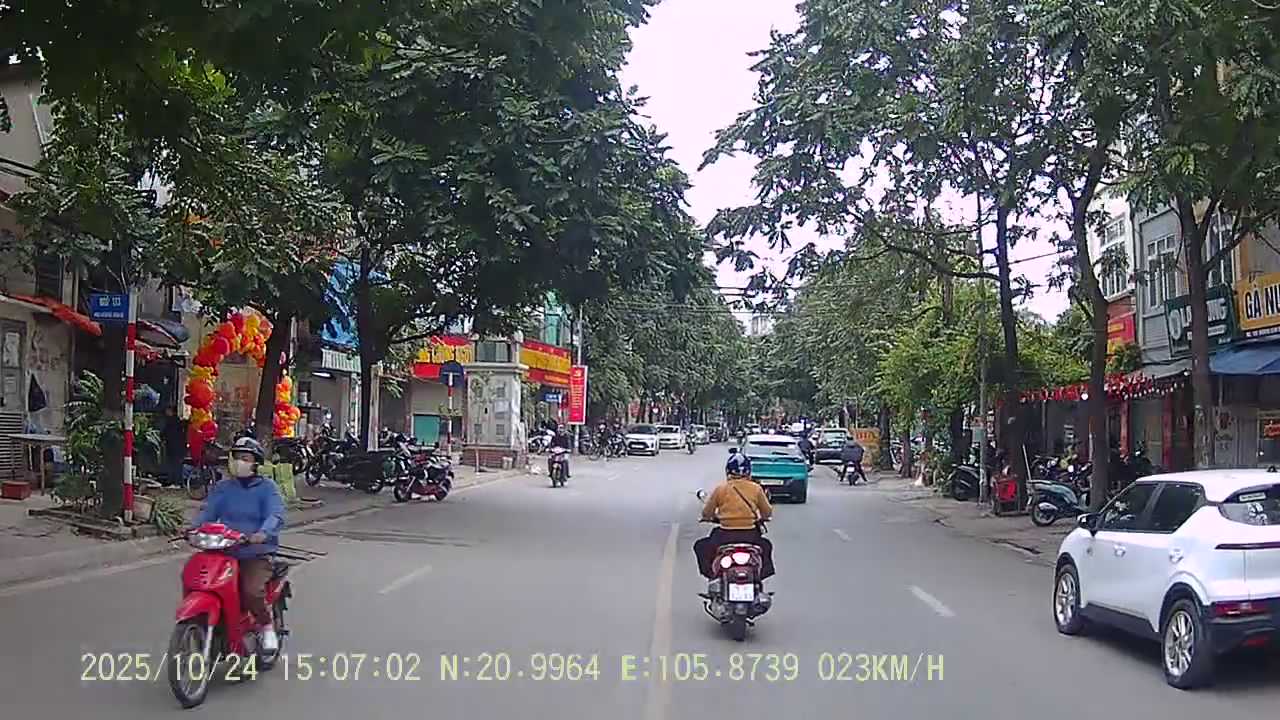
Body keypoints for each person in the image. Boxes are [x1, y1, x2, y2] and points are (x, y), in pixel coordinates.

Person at [189, 437, 286, 651]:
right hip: (224, 551)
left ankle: (266, 626)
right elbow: (208, 512)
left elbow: (276, 515)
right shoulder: (224, 488)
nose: (239, 462)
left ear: (256, 463)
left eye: (245, 458)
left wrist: (262, 533)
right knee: (197, 578)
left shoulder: (267, 488)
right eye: (236, 457)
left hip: (255, 553)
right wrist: (192, 527)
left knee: (251, 591)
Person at [693, 452, 775, 579]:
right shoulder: (756, 489)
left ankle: (713, 575)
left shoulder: (721, 489)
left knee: (700, 546)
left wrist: (709, 517)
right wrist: (761, 517)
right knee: (766, 546)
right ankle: (759, 577)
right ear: (749, 472)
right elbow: (767, 512)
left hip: (725, 535)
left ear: (728, 471)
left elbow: (707, 513)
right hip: (750, 535)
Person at [161, 406, 187, 487]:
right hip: (178, 446)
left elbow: (166, 433)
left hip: (174, 446)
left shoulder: (172, 422)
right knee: (177, 464)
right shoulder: (177, 421)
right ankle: (177, 481)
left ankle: (175, 481)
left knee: (174, 464)